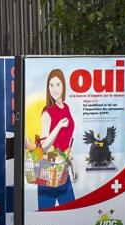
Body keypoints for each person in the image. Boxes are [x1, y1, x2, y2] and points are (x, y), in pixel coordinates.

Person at [37, 68, 76, 210]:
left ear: (63, 86)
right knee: (45, 219)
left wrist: (74, 164)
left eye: (58, 84)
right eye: (51, 85)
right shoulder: (47, 112)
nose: (54, 89)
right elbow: (43, 146)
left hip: (63, 169)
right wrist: (58, 126)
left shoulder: (66, 107)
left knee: (72, 215)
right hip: (48, 169)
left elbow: (68, 140)